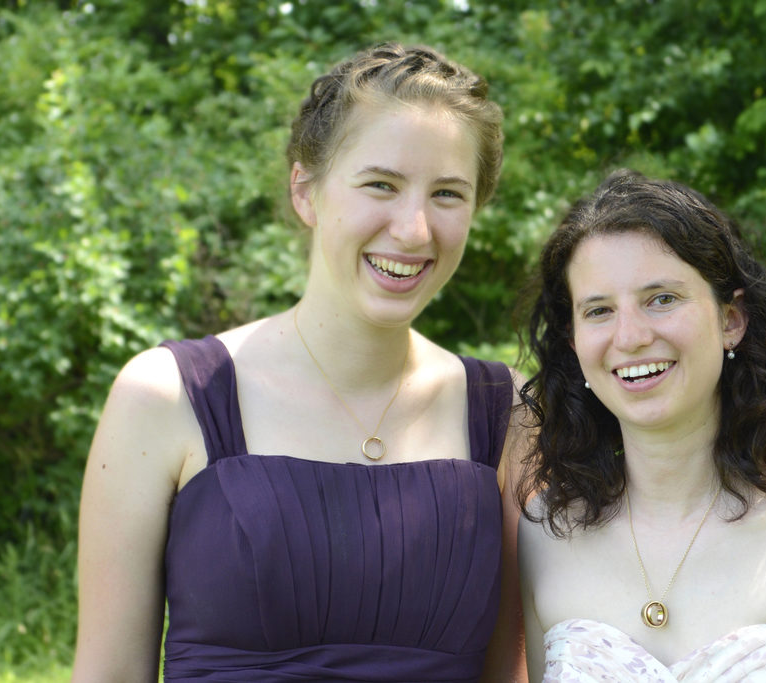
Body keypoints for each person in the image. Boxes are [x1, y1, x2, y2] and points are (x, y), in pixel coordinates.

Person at [72, 42, 527, 682]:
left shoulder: (510, 413)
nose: (415, 229)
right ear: (306, 191)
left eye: (448, 194)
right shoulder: (167, 396)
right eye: (380, 185)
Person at [517, 170, 766, 681]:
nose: (631, 336)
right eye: (599, 310)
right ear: (574, 344)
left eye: (661, 298)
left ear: (731, 319)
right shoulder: (544, 534)